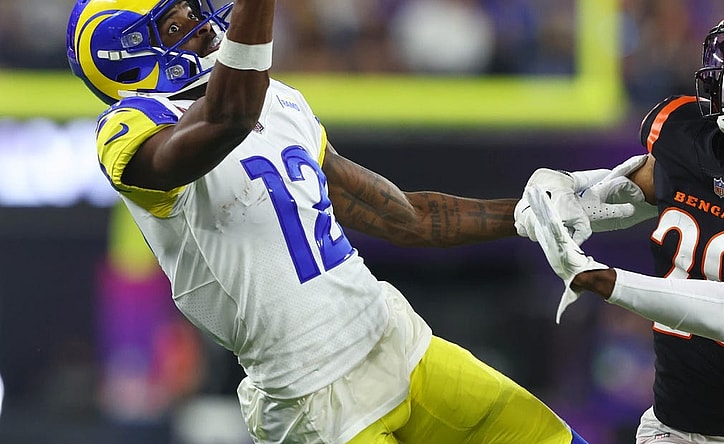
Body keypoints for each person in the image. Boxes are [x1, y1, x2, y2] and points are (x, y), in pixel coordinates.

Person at [66, 0, 589, 442]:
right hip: (311, 396)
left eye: (195, 8)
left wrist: (525, 215)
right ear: (125, 58)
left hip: (395, 338)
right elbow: (228, 119)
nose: (203, 26)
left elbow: (403, 216)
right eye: (176, 25)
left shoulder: (276, 98)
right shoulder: (126, 131)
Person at [517, 0, 724, 442]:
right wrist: (553, 191)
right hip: (666, 425)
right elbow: (603, 199)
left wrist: (597, 278)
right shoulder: (690, 138)